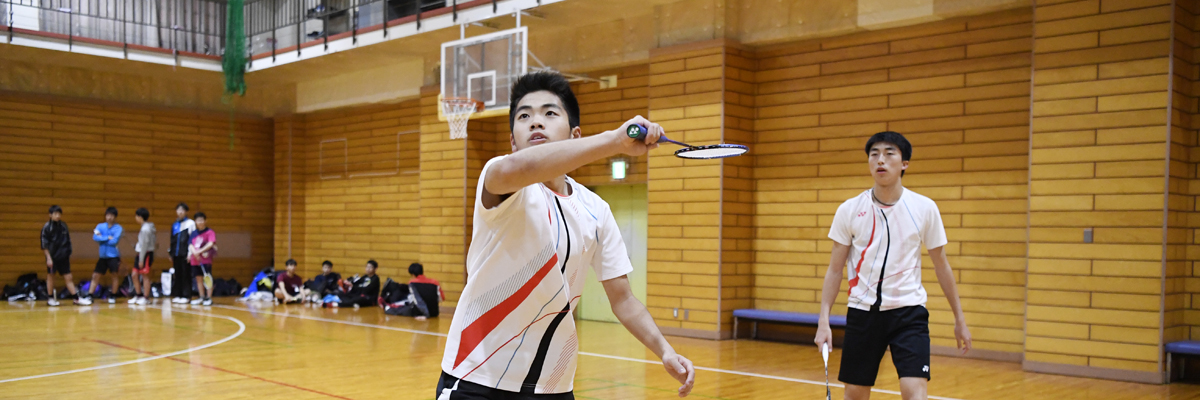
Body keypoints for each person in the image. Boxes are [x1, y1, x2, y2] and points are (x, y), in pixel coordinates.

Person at [436, 72, 694, 400]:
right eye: (524, 116)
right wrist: (615, 141)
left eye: (549, 113)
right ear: (513, 141)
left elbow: (623, 299)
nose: (535, 122)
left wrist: (665, 350)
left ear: (575, 134)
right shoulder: (500, 179)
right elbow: (522, 168)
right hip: (477, 377)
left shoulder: (595, 210)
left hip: (553, 387)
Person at [814, 131, 973, 400]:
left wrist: (960, 318)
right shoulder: (850, 210)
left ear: (904, 164)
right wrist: (823, 320)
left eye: (889, 154)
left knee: (914, 392)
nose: (880, 160)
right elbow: (834, 270)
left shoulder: (924, 208)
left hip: (908, 314)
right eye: (874, 154)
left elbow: (941, 265)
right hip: (863, 313)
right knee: (854, 394)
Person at [40, 205, 89, 306]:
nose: (57, 216)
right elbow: (44, 245)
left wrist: (68, 252)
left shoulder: (63, 226)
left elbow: (68, 240)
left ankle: (76, 298)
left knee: (68, 277)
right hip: (53, 258)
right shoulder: (46, 228)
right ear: (50, 215)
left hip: (64, 257)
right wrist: (48, 258)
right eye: (55, 214)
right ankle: (50, 299)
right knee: (51, 277)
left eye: (59, 214)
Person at [89, 207, 123, 303]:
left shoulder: (118, 228)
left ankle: (113, 295)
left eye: (111, 215)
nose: (109, 217)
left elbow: (114, 241)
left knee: (114, 275)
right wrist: (107, 237)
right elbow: (95, 237)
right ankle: (90, 295)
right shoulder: (100, 226)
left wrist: (102, 238)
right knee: (96, 275)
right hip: (102, 257)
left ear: (115, 217)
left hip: (113, 256)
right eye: (107, 215)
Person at [187, 212, 216, 306]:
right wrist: (194, 252)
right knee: (198, 279)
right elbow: (190, 244)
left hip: (205, 260)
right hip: (195, 259)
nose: (200, 222)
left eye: (201, 220)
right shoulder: (194, 233)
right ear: (195, 221)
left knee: (208, 279)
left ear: (205, 221)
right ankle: (202, 297)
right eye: (198, 220)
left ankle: (209, 298)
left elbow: (211, 243)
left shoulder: (209, 232)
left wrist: (199, 251)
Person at [169, 203, 196, 304]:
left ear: (186, 212)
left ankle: (186, 295)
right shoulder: (175, 224)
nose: (180, 212)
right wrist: (171, 253)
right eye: (178, 210)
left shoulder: (190, 223)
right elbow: (172, 240)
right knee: (178, 274)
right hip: (176, 254)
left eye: (182, 210)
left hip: (185, 254)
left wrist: (190, 254)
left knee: (186, 274)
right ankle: (178, 294)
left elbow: (192, 239)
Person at [129, 208, 155, 305]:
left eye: (136, 216)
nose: (135, 218)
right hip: (140, 253)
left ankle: (146, 297)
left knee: (145, 276)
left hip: (145, 255)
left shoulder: (146, 229)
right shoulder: (144, 227)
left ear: (140, 217)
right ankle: (138, 295)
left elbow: (145, 245)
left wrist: (141, 259)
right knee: (134, 275)